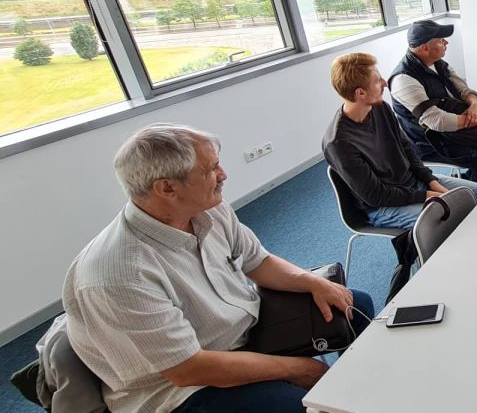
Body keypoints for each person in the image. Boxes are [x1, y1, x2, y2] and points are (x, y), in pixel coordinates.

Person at [63, 124, 375, 413]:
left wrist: (311, 281)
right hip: (182, 388)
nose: (223, 174)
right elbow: (188, 369)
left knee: (353, 304)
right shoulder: (118, 275)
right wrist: (299, 369)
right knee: (303, 407)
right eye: (211, 169)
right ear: (167, 188)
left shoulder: (207, 210)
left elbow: (258, 261)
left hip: (238, 333)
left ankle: (362, 393)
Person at [324, 52, 477, 265]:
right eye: (377, 80)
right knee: (454, 218)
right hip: (384, 206)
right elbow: (376, 196)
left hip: (415, 184)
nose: (385, 83)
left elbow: (407, 148)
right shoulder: (339, 143)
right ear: (360, 93)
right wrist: (428, 195)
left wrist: (430, 181)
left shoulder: (380, 108)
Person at [390, 20, 477, 186]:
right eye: (440, 40)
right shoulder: (403, 79)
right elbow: (436, 121)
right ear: (424, 48)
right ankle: (471, 195)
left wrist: (474, 105)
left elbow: (464, 90)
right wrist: (476, 121)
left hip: (454, 131)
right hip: (430, 142)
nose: (446, 43)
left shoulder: (439, 64)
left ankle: (468, 182)